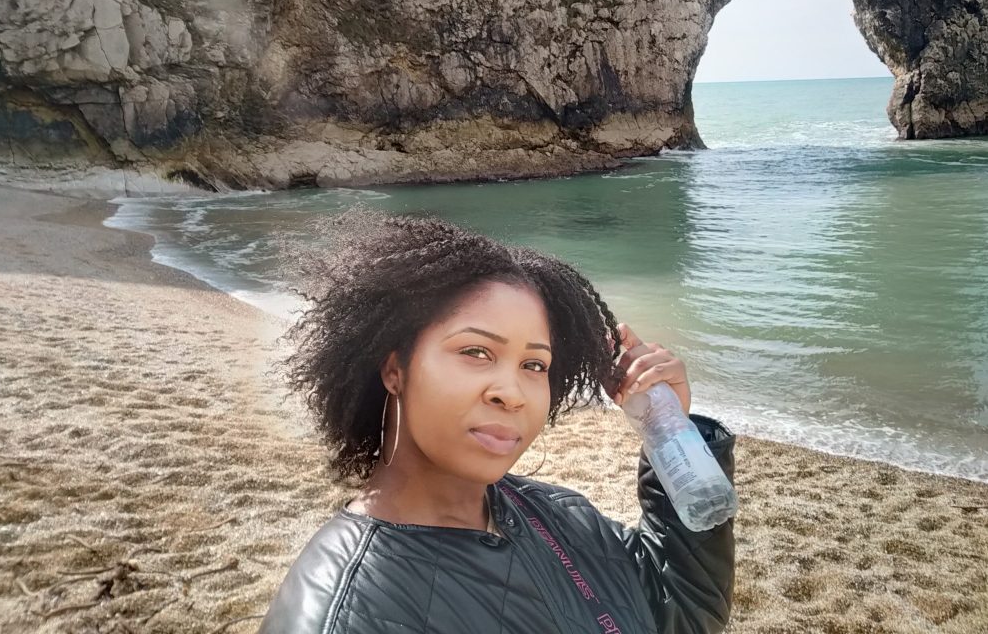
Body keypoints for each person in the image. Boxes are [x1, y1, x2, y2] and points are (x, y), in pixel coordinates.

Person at [259, 209, 735, 634]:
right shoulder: (343, 614)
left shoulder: (553, 510)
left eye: (534, 365)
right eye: (475, 352)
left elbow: (681, 612)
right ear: (394, 369)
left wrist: (672, 436)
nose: (511, 393)